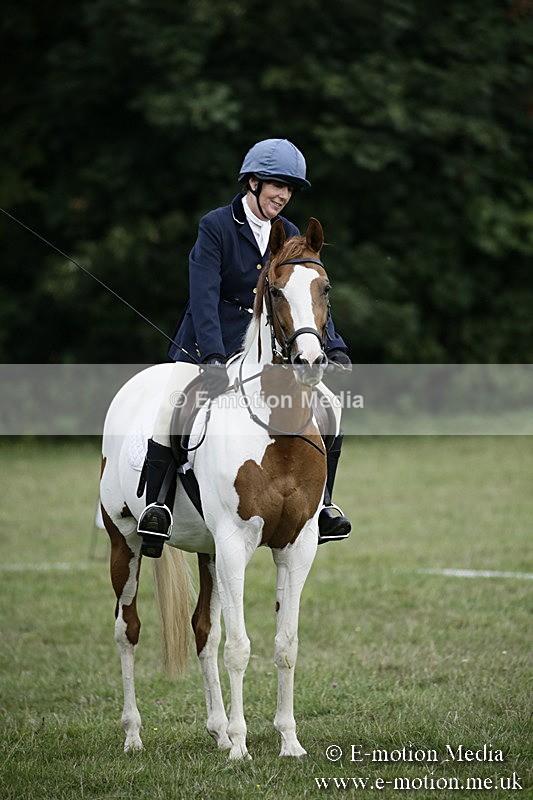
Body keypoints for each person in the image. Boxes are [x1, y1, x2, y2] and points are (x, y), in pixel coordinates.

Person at [137, 138, 351, 556]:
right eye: (277, 185)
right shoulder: (215, 225)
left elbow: (306, 297)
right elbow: (203, 294)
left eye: (290, 189)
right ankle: (157, 507)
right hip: (207, 340)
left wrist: (334, 345)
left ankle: (324, 504)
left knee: (332, 405)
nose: (283, 195)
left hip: (268, 349)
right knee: (173, 406)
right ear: (252, 182)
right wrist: (213, 356)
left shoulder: (289, 233)